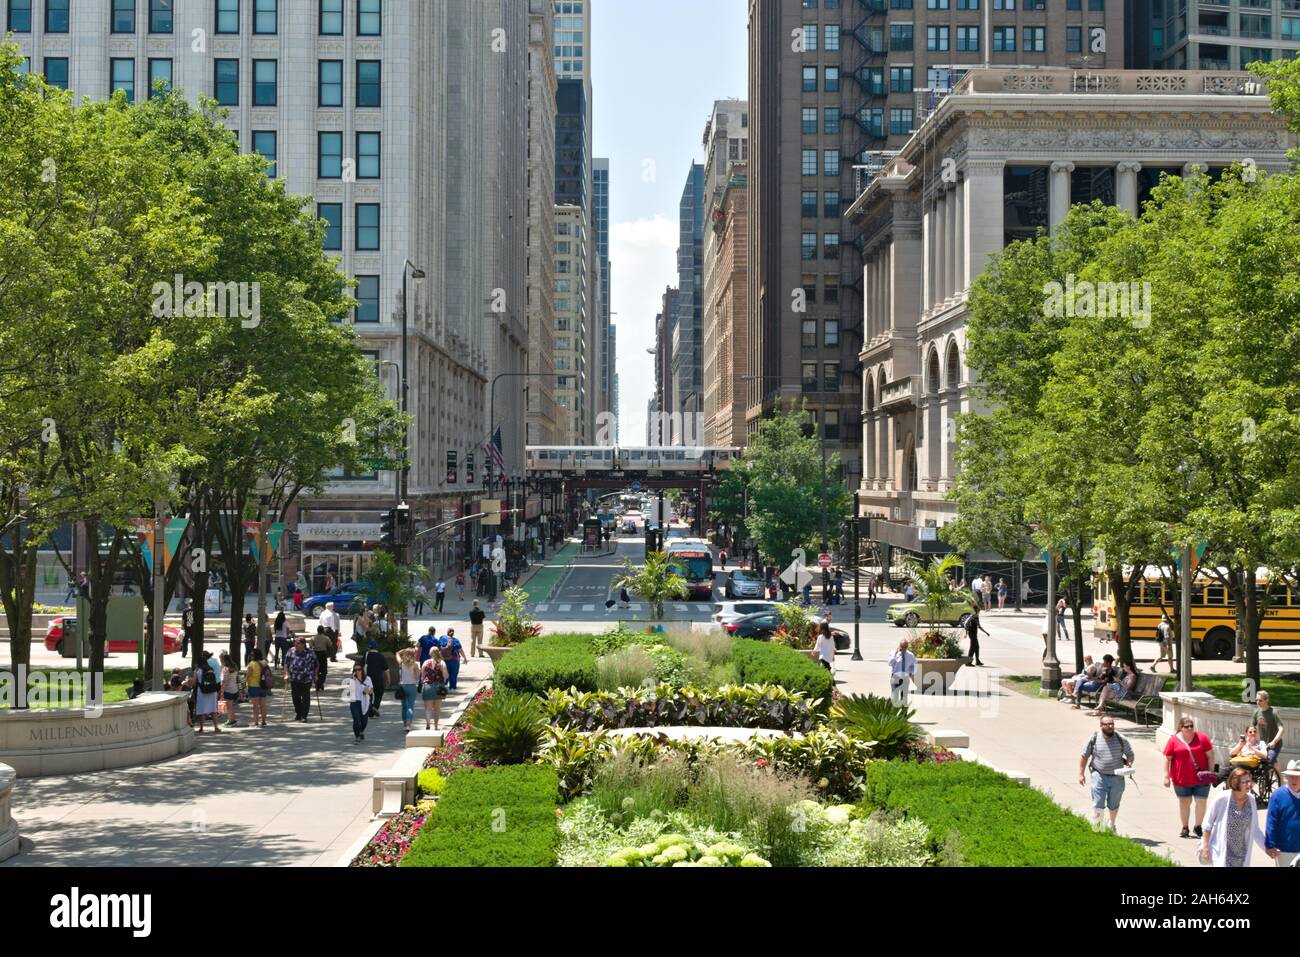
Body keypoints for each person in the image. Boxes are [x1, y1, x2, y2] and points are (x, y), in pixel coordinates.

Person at [1201, 767, 1269, 867]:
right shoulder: (1222, 798)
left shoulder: (1251, 800)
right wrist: (1205, 848)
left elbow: (1255, 829)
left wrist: (1267, 848)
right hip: (1221, 851)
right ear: (1235, 782)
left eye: (1249, 781)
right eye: (1245, 782)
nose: (1249, 784)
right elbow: (1207, 824)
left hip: (1241, 854)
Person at [1163, 716, 1216, 839]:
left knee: (1201, 802)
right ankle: (1185, 827)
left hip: (1201, 778)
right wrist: (1166, 776)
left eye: (1192, 725)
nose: (1190, 728)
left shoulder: (1202, 738)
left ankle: (1198, 826)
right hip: (1181, 778)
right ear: (1181, 728)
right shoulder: (1173, 741)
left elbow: (1211, 756)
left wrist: (1211, 772)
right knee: (1184, 802)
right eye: (1187, 726)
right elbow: (1167, 758)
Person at [1079, 715, 1135, 830]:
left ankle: (1112, 824)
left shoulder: (1121, 739)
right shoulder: (1094, 738)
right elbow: (1084, 756)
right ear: (1101, 726)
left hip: (1117, 777)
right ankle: (1098, 828)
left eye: (1111, 724)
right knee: (1098, 802)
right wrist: (1081, 774)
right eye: (1106, 724)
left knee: (1114, 803)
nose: (1109, 726)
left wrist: (1129, 764)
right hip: (1098, 775)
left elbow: (1130, 754)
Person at [1265, 760, 1300, 866]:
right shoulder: (1278, 795)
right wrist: (1270, 845)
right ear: (1287, 777)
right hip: (1284, 850)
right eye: (1291, 776)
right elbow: (1271, 821)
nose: (1294, 779)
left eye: (1298, 776)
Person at [284, 636, 318, 722]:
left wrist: (315, 675)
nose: (295, 644)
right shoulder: (291, 651)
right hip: (294, 678)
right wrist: (286, 674)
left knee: (306, 697)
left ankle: (304, 716)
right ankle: (298, 713)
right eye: (295, 642)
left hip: (307, 678)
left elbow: (316, 664)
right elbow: (286, 663)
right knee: (295, 697)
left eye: (297, 643)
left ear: (303, 644)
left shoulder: (310, 652)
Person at [191, 651, 222, 734]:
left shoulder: (197, 670)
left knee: (202, 710)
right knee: (213, 710)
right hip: (212, 691)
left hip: (202, 692)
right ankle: (216, 727)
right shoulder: (210, 669)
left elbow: (194, 683)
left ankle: (201, 728)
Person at [419, 648, 449, 731]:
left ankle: (428, 723)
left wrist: (423, 682)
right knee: (437, 708)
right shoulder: (442, 662)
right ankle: (436, 726)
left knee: (428, 708)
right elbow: (446, 675)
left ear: (430, 653)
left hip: (428, 686)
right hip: (439, 686)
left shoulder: (426, 662)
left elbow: (422, 676)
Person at [1254, 690, 1285, 765]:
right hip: (1263, 744)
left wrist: (1274, 742)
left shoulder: (1273, 712)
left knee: (1269, 760)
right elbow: (1252, 728)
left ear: (1266, 700)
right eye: (1256, 700)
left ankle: (1270, 775)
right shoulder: (1256, 712)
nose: (1258, 702)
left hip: (1274, 744)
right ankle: (1279, 776)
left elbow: (1281, 729)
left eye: (1260, 700)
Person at [347, 663, 373, 742]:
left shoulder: (368, 679)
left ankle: (361, 731)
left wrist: (368, 691)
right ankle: (357, 736)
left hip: (365, 702)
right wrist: (354, 680)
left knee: (364, 721)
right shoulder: (352, 680)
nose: (357, 671)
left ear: (362, 670)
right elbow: (350, 691)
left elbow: (371, 690)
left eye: (359, 670)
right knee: (356, 719)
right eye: (355, 670)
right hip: (355, 702)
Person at [396, 647, 420, 731]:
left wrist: (404, 650)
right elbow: (417, 678)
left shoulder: (401, 663)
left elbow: (397, 653)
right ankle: (408, 726)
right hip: (412, 686)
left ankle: (404, 724)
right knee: (410, 706)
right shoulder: (415, 664)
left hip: (403, 686)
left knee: (404, 706)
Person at [364, 639, 388, 718]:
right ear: (376, 647)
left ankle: (370, 709)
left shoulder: (366, 655)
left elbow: (361, 666)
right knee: (379, 694)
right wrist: (388, 679)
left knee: (369, 696)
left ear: (369, 647)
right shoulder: (381, 656)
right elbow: (386, 669)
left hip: (368, 680)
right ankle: (374, 707)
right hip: (378, 679)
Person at [245, 649, 269, 728]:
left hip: (254, 686)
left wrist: (246, 685)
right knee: (263, 705)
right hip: (263, 686)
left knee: (255, 706)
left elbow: (248, 676)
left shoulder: (251, 664)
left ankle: (256, 722)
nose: (250, 656)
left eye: (252, 655)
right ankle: (264, 721)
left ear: (255, 655)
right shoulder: (264, 662)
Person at [888, 639, 915, 707]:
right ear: (899, 646)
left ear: (907, 647)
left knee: (904, 697)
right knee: (895, 697)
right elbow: (890, 663)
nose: (903, 649)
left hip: (905, 678)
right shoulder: (893, 653)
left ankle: (904, 715)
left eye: (905, 647)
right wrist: (895, 654)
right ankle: (894, 715)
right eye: (902, 647)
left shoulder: (910, 655)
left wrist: (911, 672)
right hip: (895, 677)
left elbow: (914, 665)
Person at [219, 651, 240, 727]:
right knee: (231, 706)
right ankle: (232, 719)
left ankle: (230, 721)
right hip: (234, 689)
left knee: (229, 706)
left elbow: (224, 681)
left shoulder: (225, 669)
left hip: (228, 689)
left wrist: (221, 691)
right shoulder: (234, 667)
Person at [310, 626, 332, 692]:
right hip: (323, 654)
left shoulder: (313, 638)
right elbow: (330, 645)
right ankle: (320, 683)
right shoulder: (326, 638)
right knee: (324, 670)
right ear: (323, 631)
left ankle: (317, 683)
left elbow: (310, 646)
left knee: (316, 669)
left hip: (316, 654)